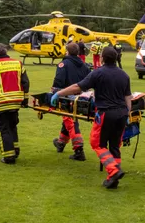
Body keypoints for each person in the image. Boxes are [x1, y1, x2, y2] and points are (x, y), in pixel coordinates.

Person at [51, 47, 132, 189]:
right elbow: (128, 97)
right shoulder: (124, 75)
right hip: (122, 113)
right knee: (114, 145)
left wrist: (59, 93)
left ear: (102, 58)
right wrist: (128, 113)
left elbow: (78, 87)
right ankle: (113, 178)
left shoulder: (98, 73)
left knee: (97, 143)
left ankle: (114, 171)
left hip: (106, 113)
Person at [52, 43, 91, 161]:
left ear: (67, 52)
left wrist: (54, 92)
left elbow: (59, 80)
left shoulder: (63, 64)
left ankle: (79, 150)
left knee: (71, 121)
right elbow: (89, 80)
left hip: (66, 98)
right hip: (82, 98)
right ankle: (61, 143)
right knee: (68, 119)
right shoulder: (84, 65)